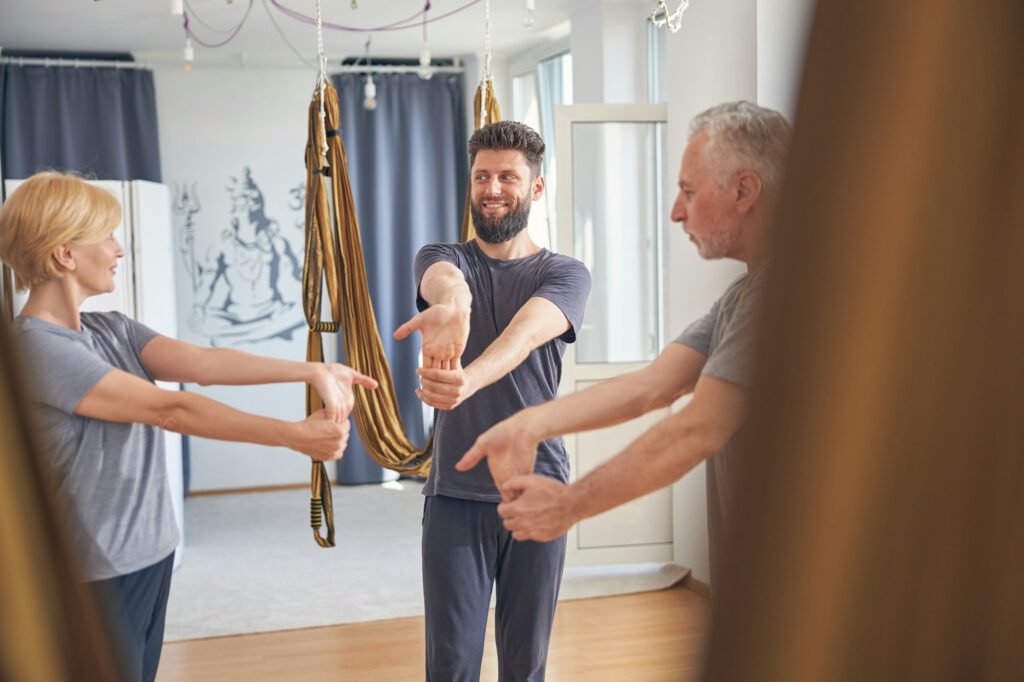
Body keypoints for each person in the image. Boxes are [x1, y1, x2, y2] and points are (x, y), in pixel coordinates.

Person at [0, 171, 377, 682]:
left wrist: (311, 369)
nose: (119, 249)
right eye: (107, 236)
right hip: (92, 573)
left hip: (149, 552)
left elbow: (203, 363)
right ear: (65, 253)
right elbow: (168, 410)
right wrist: (291, 434)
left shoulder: (112, 329)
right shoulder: (36, 350)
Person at [456, 101, 791, 587]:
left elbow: (697, 429)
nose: (676, 211)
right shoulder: (743, 295)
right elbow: (653, 386)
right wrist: (527, 424)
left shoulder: (782, 293)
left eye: (688, 191)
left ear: (744, 191)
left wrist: (570, 504)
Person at [393, 121, 591, 681]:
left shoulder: (564, 273)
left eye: (508, 175)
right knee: (451, 663)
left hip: (540, 488)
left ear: (536, 187)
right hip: (456, 492)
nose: (493, 187)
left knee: (525, 664)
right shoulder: (441, 256)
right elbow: (445, 280)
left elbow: (527, 334)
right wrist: (454, 304)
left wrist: (468, 379)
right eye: (482, 176)